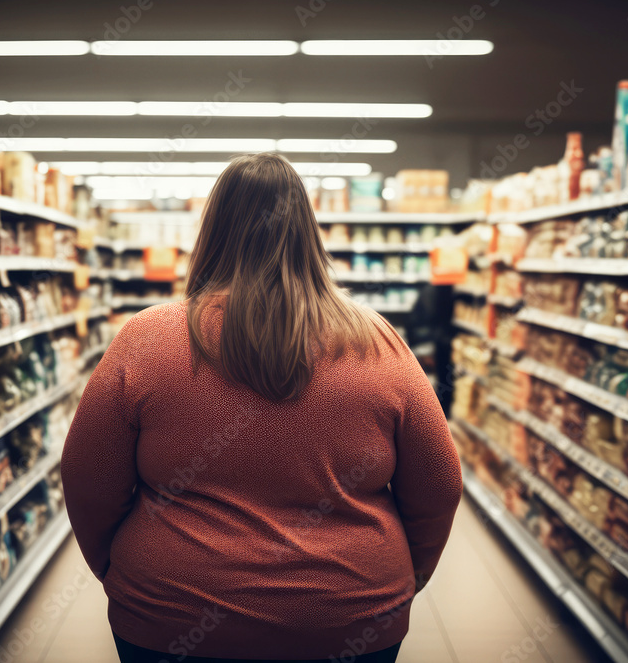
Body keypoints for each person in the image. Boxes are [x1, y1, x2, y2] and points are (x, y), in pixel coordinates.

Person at [61, 152, 463, 663]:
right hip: (349, 614)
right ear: (308, 233)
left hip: (171, 615)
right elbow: (439, 483)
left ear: (212, 231)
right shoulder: (376, 341)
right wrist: (399, 578)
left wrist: (123, 569)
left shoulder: (147, 339)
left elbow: (86, 477)